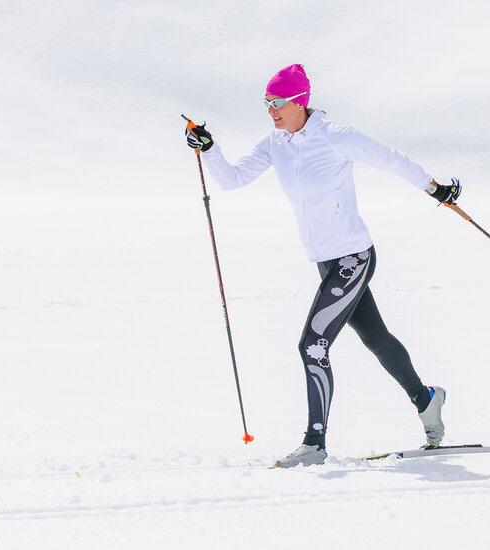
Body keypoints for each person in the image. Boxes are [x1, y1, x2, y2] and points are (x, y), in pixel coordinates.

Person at [185, 64, 460, 466]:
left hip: (353, 257)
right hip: (326, 261)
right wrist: (209, 149)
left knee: (312, 344)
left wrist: (436, 189)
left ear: (300, 102)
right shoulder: (275, 143)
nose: (271, 111)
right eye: (267, 103)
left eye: (278, 103)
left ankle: (314, 443)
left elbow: (391, 160)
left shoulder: (334, 136)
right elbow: (233, 179)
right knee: (376, 338)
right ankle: (426, 398)